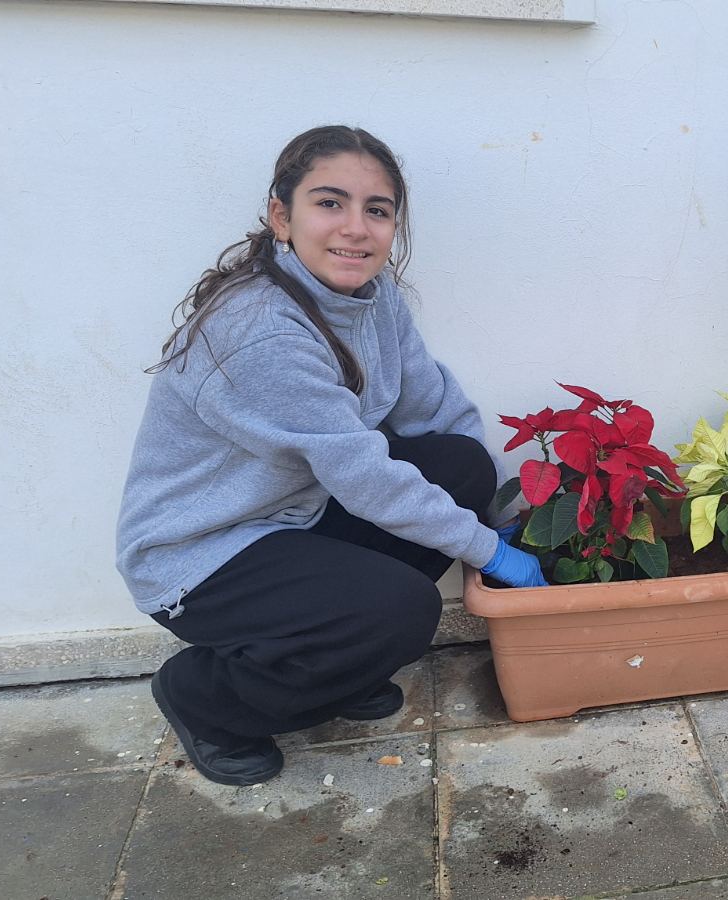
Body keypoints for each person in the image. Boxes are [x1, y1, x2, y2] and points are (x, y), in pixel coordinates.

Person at [115, 126, 546, 786]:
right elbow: (364, 475)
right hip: (202, 552)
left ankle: (341, 660)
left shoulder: (371, 295)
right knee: (401, 611)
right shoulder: (261, 331)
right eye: (329, 203)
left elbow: (431, 407)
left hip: (296, 512)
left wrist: (504, 516)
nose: (355, 228)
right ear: (281, 217)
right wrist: (490, 551)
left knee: (461, 465)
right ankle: (204, 699)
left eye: (377, 210)